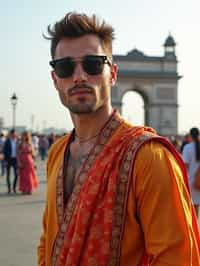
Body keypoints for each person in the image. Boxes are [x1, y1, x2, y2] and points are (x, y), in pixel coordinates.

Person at [38, 12, 200, 266]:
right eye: (65, 67)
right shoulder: (57, 153)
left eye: (92, 64)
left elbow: (178, 259)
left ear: (112, 74)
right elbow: (48, 241)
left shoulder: (150, 159)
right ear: (55, 79)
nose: (79, 76)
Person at [182, 127, 200, 217]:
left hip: (192, 182)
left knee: (193, 209)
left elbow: (185, 166)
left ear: (190, 135)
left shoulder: (187, 148)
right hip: (198, 181)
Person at [3, 129, 18, 193]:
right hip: (9, 160)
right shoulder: (7, 141)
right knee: (8, 175)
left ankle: (14, 188)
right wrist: (5, 160)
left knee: (16, 174)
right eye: (13, 134)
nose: (14, 135)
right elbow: (4, 151)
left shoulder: (18, 141)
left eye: (15, 134)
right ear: (11, 134)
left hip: (16, 160)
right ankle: (9, 189)